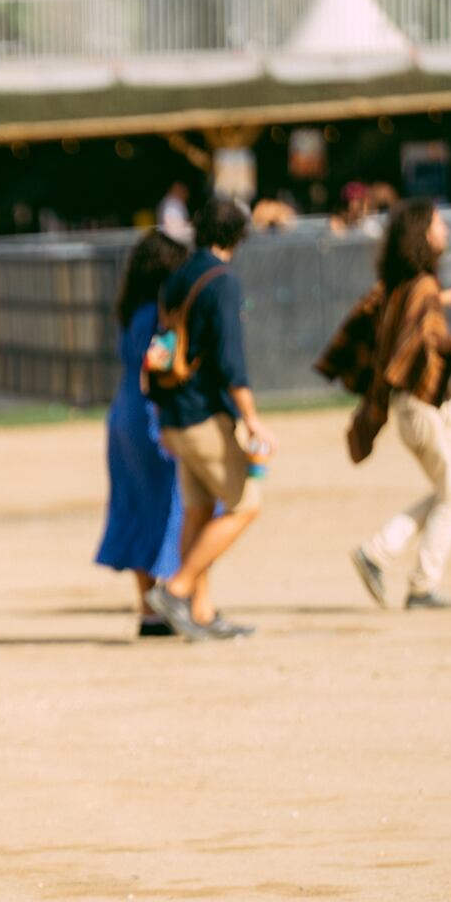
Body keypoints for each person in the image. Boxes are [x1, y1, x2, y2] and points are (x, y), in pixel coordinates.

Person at [346, 200, 451, 611]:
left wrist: (446, 296)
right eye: (438, 224)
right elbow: (419, 340)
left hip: (431, 405)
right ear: (422, 233)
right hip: (420, 407)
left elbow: (412, 308)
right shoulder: (418, 285)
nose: (445, 229)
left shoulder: (407, 282)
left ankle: (381, 553)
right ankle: (415, 582)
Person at [145, 198, 277, 641]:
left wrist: (162, 414)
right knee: (245, 505)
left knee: (199, 511)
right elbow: (229, 359)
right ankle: (177, 590)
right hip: (204, 415)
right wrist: (252, 418)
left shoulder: (176, 277)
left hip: (174, 412)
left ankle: (200, 612)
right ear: (237, 235)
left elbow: (161, 347)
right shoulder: (222, 280)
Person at [94, 230, 189, 637]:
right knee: (173, 507)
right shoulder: (160, 314)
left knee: (136, 507)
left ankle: (149, 609)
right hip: (151, 413)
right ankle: (180, 597)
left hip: (122, 414)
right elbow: (161, 363)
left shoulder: (129, 311)